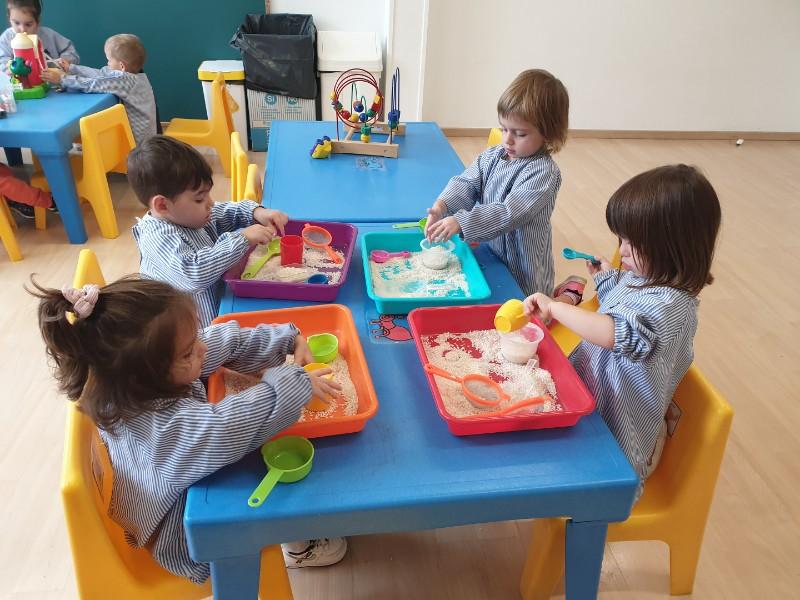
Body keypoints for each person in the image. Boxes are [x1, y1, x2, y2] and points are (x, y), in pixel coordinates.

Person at [32, 276, 347, 582]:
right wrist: (293, 381)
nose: (201, 349)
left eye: (194, 337)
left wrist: (286, 339)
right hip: (185, 537)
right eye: (187, 352)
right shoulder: (162, 431)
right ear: (146, 377)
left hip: (173, 491)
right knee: (284, 476)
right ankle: (300, 548)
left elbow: (220, 342)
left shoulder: (130, 378)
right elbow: (225, 427)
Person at [523, 164, 722, 492]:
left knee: (534, 470)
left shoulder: (671, 306)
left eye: (633, 243)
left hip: (616, 444)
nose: (622, 250)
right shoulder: (644, 276)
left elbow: (618, 333)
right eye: (622, 238)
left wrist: (556, 306)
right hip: (588, 404)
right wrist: (606, 279)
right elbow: (621, 302)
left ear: (675, 246)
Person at [424, 68, 577, 302]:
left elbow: (508, 213)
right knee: (490, 295)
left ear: (548, 134)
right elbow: (467, 183)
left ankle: (567, 295)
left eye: (520, 134)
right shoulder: (493, 156)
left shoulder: (544, 173)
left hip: (522, 267)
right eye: (504, 129)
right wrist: (442, 205)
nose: (507, 139)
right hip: (493, 251)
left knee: (525, 308)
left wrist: (461, 221)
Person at [128, 136, 287, 327]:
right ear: (162, 205)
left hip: (223, 306)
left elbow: (223, 212)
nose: (210, 203)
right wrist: (242, 238)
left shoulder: (187, 216)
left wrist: (256, 212)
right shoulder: (157, 239)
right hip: (194, 336)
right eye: (199, 199)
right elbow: (194, 274)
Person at [41, 33, 157, 146]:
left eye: (109, 60)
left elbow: (93, 84)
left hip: (140, 144)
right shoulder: (136, 76)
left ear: (121, 66)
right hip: (145, 139)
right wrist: (72, 68)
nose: (107, 63)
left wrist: (62, 79)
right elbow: (101, 74)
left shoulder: (126, 81)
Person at [0, 0, 79, 68]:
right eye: (17, 23)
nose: (22, 29)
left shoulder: (48, 35)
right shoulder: (6, 39)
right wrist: (9, 68)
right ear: (9, 19)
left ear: (38, 21)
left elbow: (71, 51)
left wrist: (66, 60)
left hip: (51, 78)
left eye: (28, 24)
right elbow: (2, 61)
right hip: (19, 80)